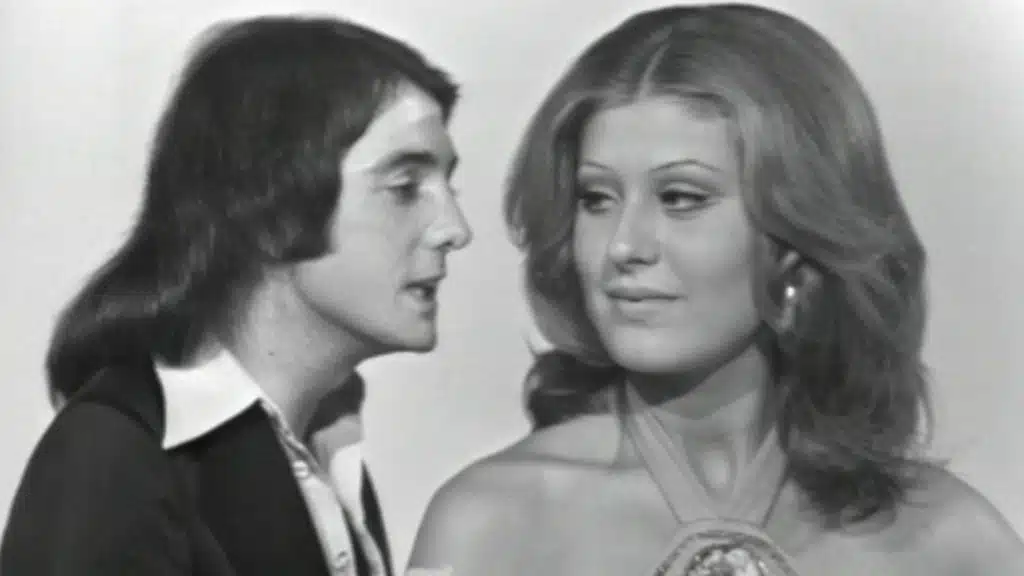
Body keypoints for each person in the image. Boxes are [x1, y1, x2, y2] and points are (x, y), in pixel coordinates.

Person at [408, 4, 1024, 575]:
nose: (624, 245)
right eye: (596, 199)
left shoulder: (952, 539)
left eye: (681, 198)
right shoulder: (487, 523)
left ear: (799, 230)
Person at [1, 14, 470, 576]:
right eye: (405, 187)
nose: (455, 229)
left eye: (449, 187)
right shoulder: (116, 454)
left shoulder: (327, 447)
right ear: (269, 207)